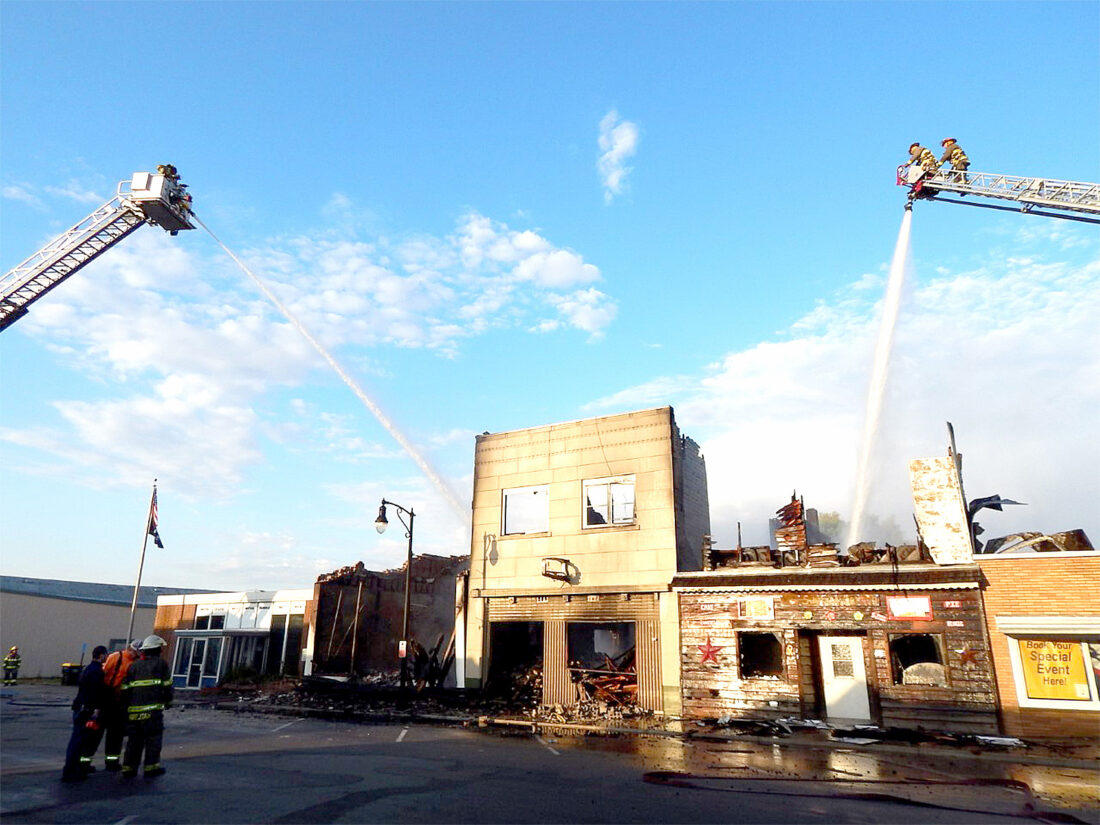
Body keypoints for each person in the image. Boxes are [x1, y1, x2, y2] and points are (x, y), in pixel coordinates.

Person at [120, 635, 173, 779]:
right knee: (153, 740)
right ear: (156, 649)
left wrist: (125, 708)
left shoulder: (134, 666)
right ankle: (151, 768)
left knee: (134, 742)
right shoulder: (161, 664)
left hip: (134, 713)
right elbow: (167, 686)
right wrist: (168, 702)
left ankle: (128, 768)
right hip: (152, 713)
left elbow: (125, 688)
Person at [61, 645, 109, 782]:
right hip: (85, 709)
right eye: (105, 655)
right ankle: (70, 771)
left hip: (81, 707)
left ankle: (75, 768)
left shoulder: (88, 669)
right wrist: (95, 709)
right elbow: (94, 691)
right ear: (100, 655)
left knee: (80, 740)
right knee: (78, 740)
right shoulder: (96, 671)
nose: (106, 657)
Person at [100, 640, 142, 771]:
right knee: (97, 732)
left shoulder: (135, 663)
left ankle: (112, 762)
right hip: (108, 698)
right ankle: (84, 762)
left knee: (116, 734)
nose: (138, 654)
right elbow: (104, 674)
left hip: (121, 702)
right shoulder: (116, 657)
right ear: (131, 649)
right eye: (137, 652)